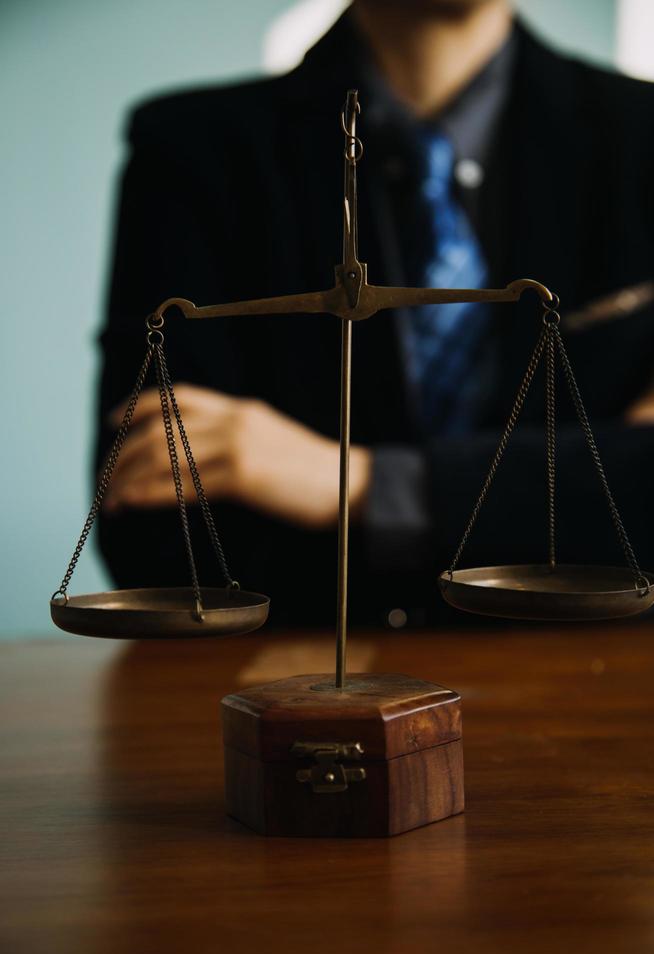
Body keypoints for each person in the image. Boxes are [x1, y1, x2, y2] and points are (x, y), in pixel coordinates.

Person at [96, 0, 654, 628]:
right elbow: (156, 528)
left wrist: (362, 485)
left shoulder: (642, 137)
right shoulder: (192, 151)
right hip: (293, 680)